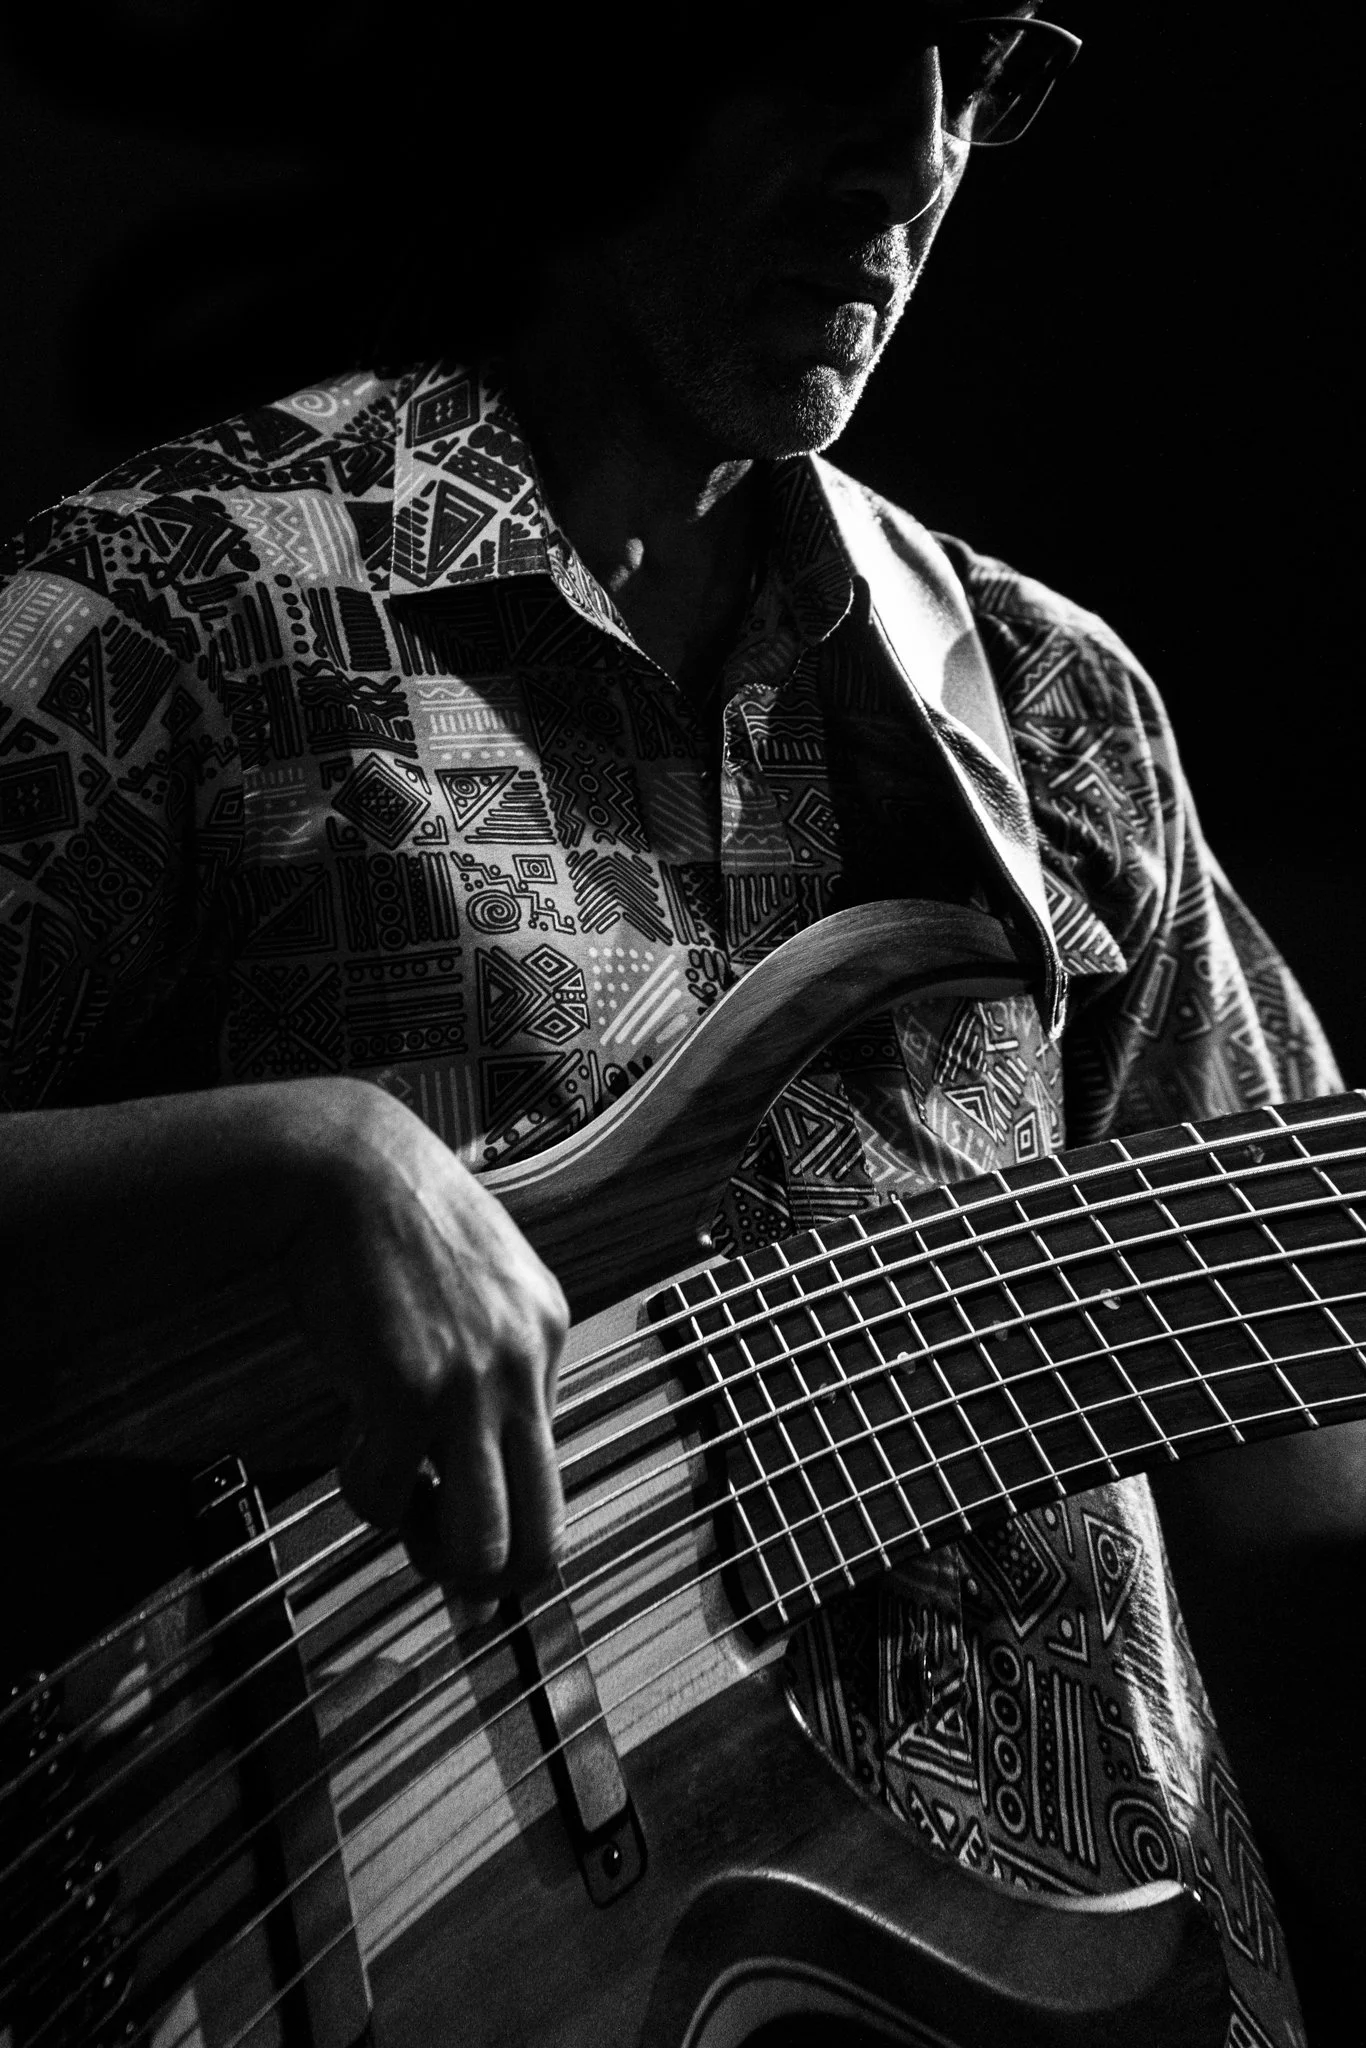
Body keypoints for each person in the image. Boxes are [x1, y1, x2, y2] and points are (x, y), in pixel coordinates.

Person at [0, 10, 1355, 2042]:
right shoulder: (179, 616)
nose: (903, 164)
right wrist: (286, 1159)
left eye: (973, 69)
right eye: (822, 40)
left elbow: (1308, 1495)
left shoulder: (1053, 715)